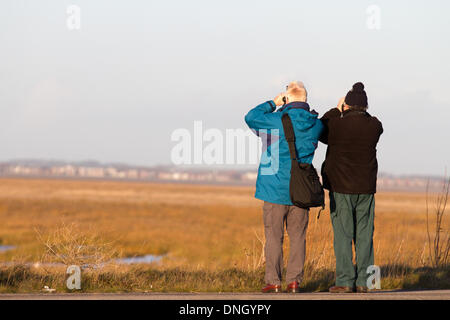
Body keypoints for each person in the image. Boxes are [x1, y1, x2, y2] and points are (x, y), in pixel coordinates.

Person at [245, 81, 323, 293]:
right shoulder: (315, 124)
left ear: (287, 99)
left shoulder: (276, 121)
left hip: (274, 188)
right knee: (298, 237)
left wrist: (274, 102)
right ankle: (294, 281)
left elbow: (250, 117)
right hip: (302, 190)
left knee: (273, 237)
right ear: (306, 100)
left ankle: (274, 281)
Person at [320, 82, 383, 293]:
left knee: (343, 235)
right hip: (366, 189)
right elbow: (374, 122)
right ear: (365, 106)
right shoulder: (374, 126)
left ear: (346, 105)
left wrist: (336, 110)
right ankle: (368, 282)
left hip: (340, 188)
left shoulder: (336, 125)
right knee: (365, 235)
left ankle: (345, 281)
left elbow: (321, 129)